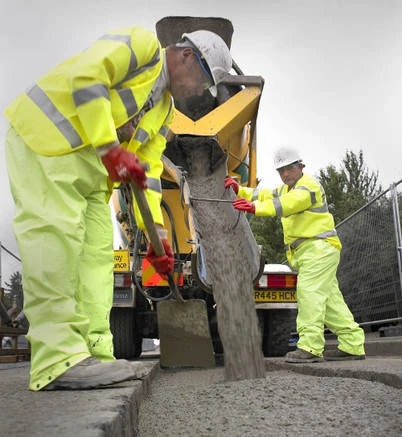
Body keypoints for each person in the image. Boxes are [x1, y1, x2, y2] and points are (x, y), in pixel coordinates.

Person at [4, 25, 232, 390]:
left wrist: (158, 235)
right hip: (49, 138)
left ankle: (93, 350)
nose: (199, 94)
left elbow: (149, 176)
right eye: (203, 84)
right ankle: (57, 358)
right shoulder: (141, 47)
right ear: (188, 56)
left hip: (92, 172)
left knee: (96, 259)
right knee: (57, 241)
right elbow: (86, 79)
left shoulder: (163, 111)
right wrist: (111, 148)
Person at [226, 146, 365, 363]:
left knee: (309, 293)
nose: (284, 175)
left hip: (318, 248)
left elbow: (287, 205)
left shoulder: (308, 187)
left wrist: (254, 208)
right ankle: (353, 344)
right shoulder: (286, 189)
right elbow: (262, 194)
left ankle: (310, 347)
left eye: (288, 169)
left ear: (300, 166)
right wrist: (239, 189)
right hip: (310, 251)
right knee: (330, 302)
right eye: (280, 171)